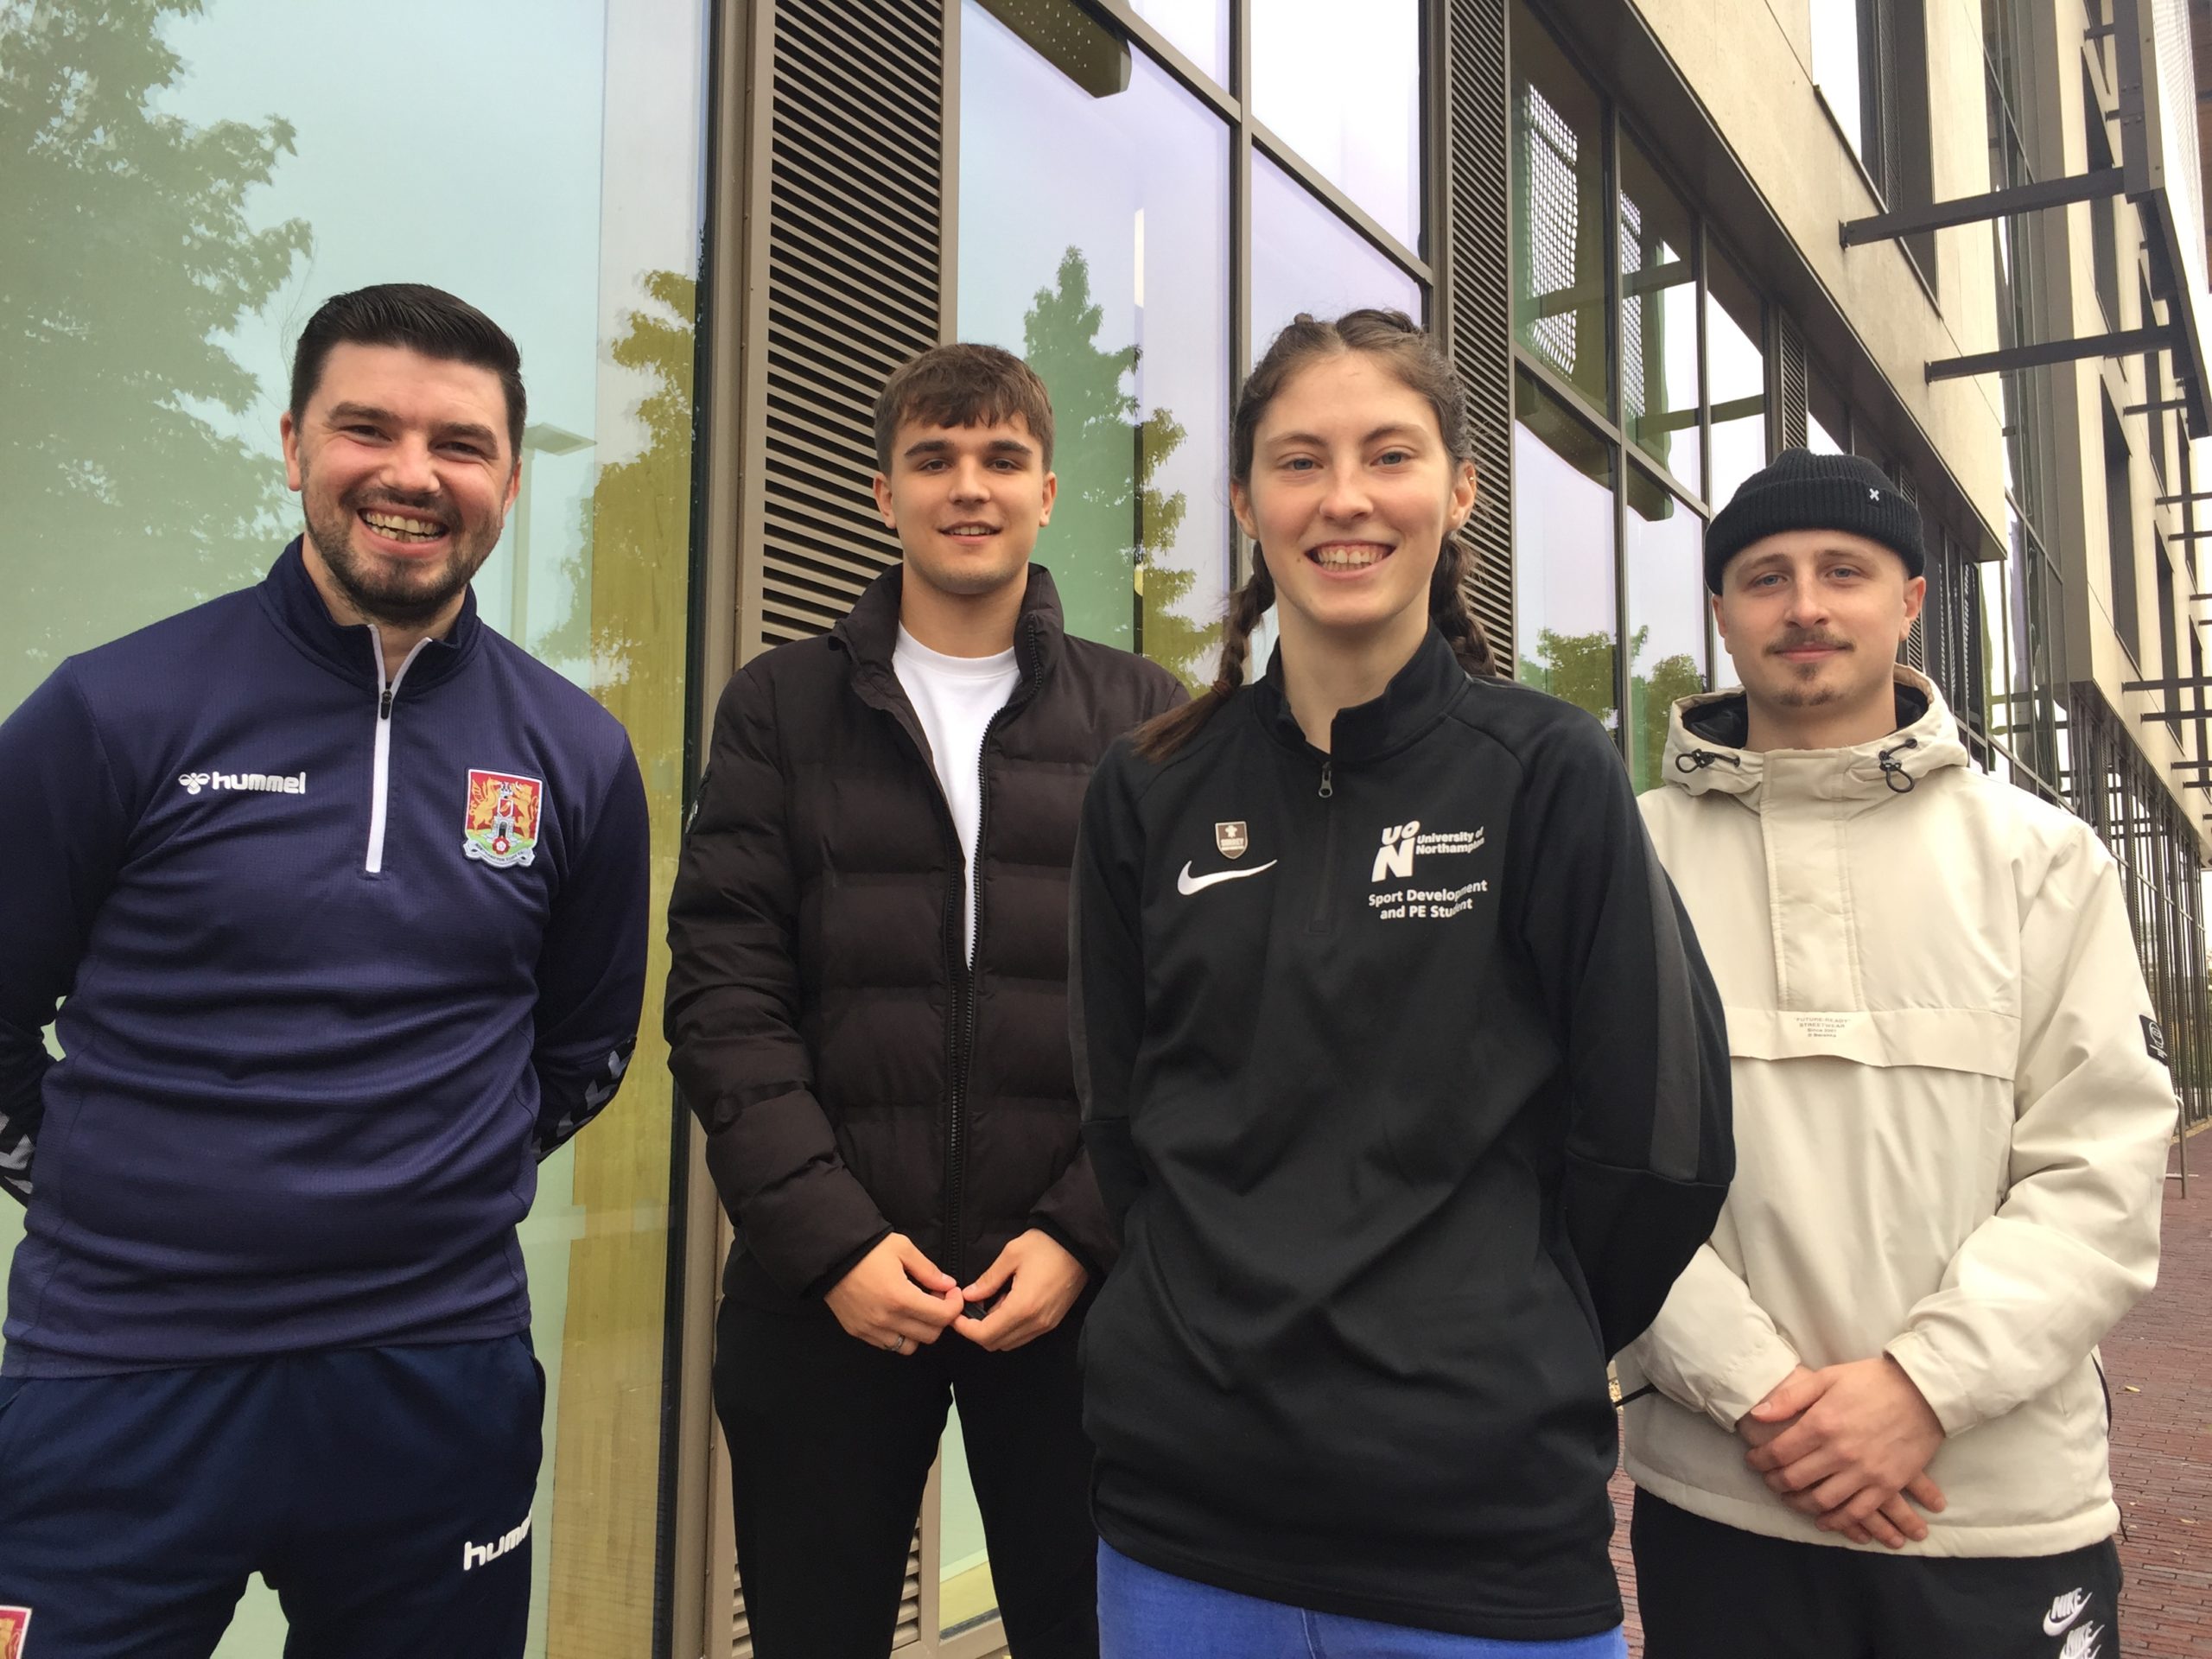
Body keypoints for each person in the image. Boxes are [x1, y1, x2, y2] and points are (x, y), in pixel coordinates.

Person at [1067, 308, 1733, 1657]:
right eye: (1300, 461)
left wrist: (1497, 1332)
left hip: (1479, 1544)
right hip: (1187, 1530)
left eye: (1389, 453)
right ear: (1247, 501)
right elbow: (1121, 1124)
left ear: (1459, 488)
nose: (1346, 498)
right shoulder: (1146, 791)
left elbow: (1659, 1149)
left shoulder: (1550, 775)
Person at [0, 283, 650, 1653]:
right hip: (123, 1373)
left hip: (439, 1375)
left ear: (510, 482)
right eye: (368, 429)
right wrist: (98, 1181)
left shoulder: (575, 754)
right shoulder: (113, 707)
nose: (413, 475)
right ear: (294, 443)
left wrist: (433, 1177)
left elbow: (583, 1045)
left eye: (460, 445)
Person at [665, 342, 1185, 1658]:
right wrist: (833, 1244)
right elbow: (728, 998)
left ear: (1049, 490)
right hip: (827, 1298)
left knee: (1093, 1638)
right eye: (934, 459)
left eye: (1001, 458)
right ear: (882, 492)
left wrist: (1082, 1232)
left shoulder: (1148, 721)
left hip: (1076, 1298)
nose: (970, 487)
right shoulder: (781, 707)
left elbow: (1187, 1020)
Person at [1618, 448, 2174, 1659]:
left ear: (1910, 601)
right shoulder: (1627, 857)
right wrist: (1762, 1396)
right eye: (1763, 577)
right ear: (1719, 611)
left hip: (1999, 1517)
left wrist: (1919, 1390)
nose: (1805, 604)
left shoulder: (2045, 859)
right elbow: (1586, 1162)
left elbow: (2103, 1171)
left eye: (1843, 571)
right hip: (1723, 1502)